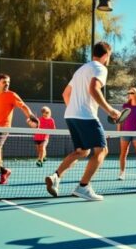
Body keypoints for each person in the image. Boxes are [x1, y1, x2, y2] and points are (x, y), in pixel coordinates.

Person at [45, 42, 123, 201]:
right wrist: (111, 110)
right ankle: (83, 187)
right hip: (85, 116)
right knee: (102, 151)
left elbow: (65, 94)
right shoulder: (101, 68)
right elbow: (93, 89)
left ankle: (56, 177)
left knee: (82, 151)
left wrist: (75, 109)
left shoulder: (81, 70)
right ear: (106, 55)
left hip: (71, 115)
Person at [0, 74, 37, 188]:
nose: (7, 84)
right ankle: (4, 171)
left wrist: (31, 117)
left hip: (4, 128)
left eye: (8, 82)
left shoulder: (12, 95)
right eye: (4, 82)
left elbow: (24, 107)